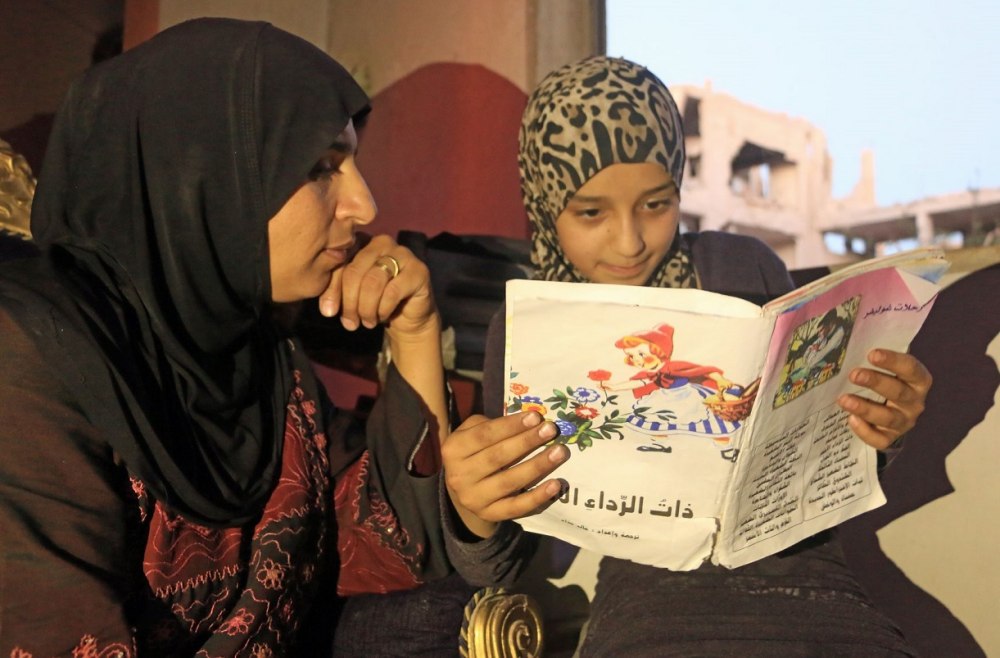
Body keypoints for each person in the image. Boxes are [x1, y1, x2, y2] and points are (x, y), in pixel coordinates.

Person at [0, 18, 559, 656]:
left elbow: (394, 543)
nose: (365, 205)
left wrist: (414, 333)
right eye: (323, 168)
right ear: (205, 180)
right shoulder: (29, 361)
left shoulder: (260, 360)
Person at [443, 56, 932, 656]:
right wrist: (475, 507)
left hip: (817, 594)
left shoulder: (741, 266)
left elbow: (808, 458)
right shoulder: (523, 327)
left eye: (657, 203)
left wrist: (878, 428)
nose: (630, 242)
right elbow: (502, 562)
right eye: (591, 212)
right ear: (545, 202)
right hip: (656, 611)